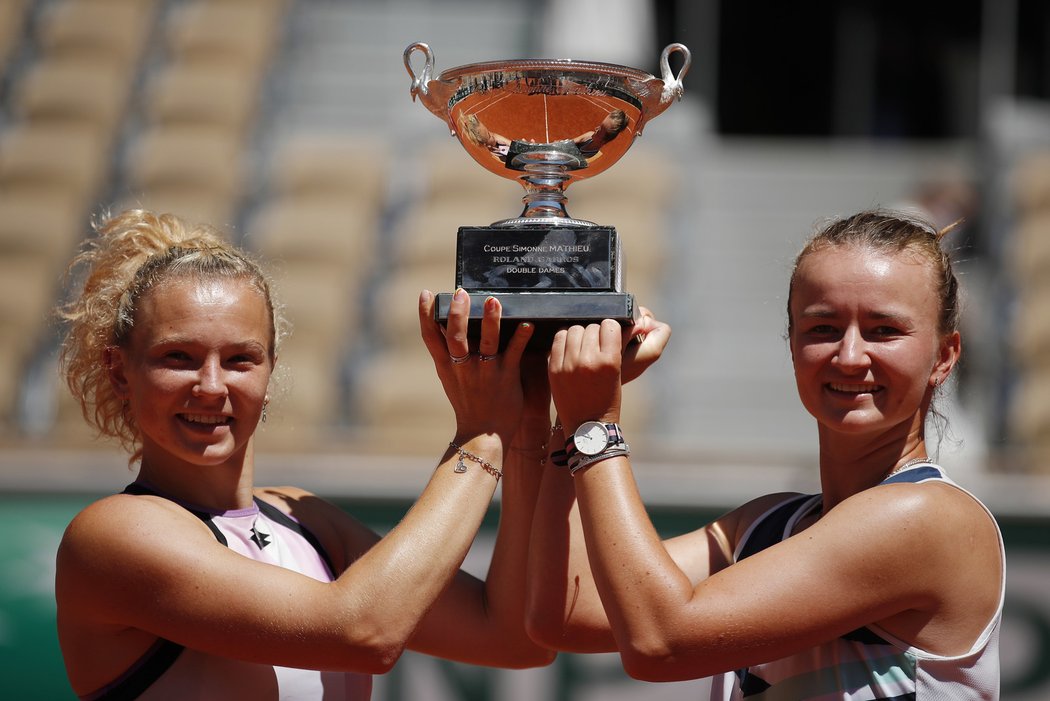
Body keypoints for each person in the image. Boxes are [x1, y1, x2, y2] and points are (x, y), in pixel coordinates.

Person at [53, 209, 555, 700]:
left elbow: (514, 639)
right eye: (177, 357)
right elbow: (365, 633)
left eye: (240, 360)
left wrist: (530, 421)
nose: (210, 386)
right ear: (120, 371)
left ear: (270, 371)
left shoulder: (307, 518)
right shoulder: (113, 535)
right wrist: (482, 434)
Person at [526, 209, 1005, 699]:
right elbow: (563, 615)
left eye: (884, 330)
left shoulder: (929, 517)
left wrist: (596, 427)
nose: (849, 355)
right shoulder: (764, 524)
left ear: (944, 357)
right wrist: (568, 414)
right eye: (823, 328)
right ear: (792, 345)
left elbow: (659, 641)